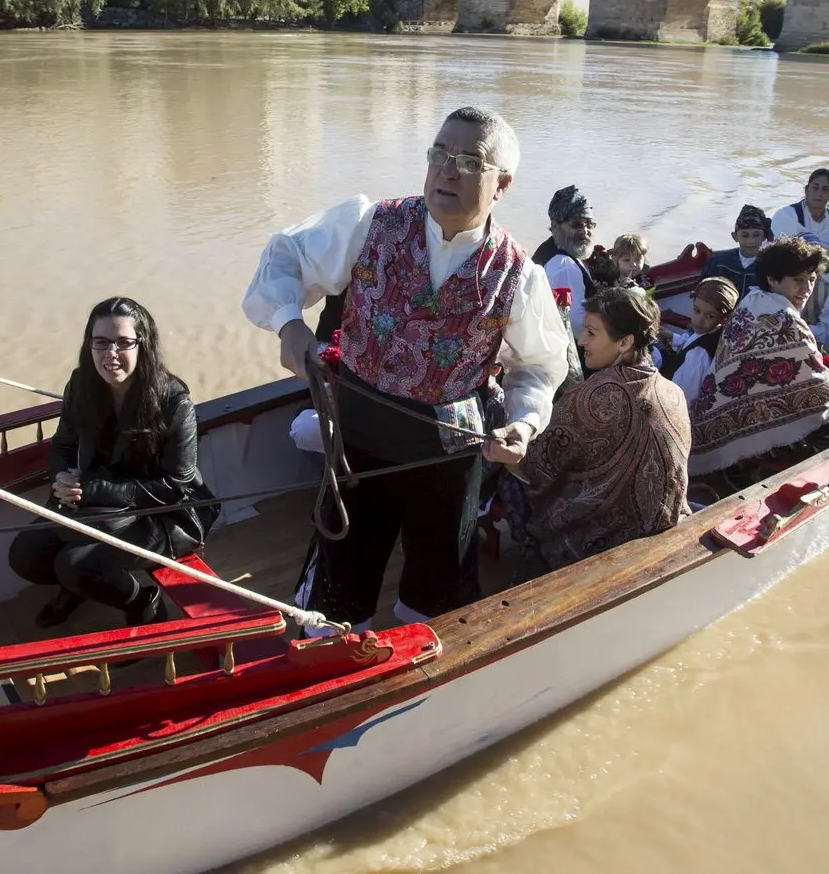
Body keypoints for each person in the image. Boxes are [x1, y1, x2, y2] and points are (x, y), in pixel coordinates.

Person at [243, 107, 570, 632]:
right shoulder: (370, 223)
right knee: (338, 585)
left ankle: (419, 682)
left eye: (469, 161)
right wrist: (289, 325)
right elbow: (284, 255)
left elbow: (539, 366)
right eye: (440, 154)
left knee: (438, 595)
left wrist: (523, 424)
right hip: (357, 439)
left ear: (502, 184)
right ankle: (327, 670)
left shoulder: (519, 274)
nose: (448, 170)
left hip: (449, 451)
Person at [10, 298, 216, 629]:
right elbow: (63, 444)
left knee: (75, 564)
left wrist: (91, 490)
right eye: (101, 342)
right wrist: (61, 477)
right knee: (25, 556)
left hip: (163, 513)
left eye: (123, 343)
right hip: (97, 503)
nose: (111, 354)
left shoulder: (174, 401)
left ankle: (142, 604)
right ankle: (84, 589)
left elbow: (175, 485)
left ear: (143, 345)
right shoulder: (81, 384)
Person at [497, 287, 691, 574]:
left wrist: (506, 450)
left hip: (596, 545)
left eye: (591, 332)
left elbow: (535, 466)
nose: (581, 340)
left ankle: (535, 558)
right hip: (663, 527)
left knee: (508, 476)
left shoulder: (592, 396)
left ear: (624, 342)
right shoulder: (673, 391)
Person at [687, 238, 829, 476]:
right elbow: (819, 387)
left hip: (707, 420)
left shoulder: (752, 300)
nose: (807, 289)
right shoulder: (784, 317)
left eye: (811, 280)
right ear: (772, 279)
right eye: (798, 280)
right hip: (729, 424)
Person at [656, 275, 738, 403]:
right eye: (696, 311)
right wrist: (672, 337)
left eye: (710, 316)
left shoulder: (697, 356)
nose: (699, 320)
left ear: (724, 318)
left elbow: (682, 397)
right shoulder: (713, 333)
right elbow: (691, 341)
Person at [534, 184, 597, 339]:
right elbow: (575, 325)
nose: (584, 231)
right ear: (555, 227)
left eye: (589, 224)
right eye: (575, 225)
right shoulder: (564, 266)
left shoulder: (551, 249)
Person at [703, 205, 772, 294]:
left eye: (756, 235)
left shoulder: (771, 265)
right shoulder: (720, 262)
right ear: (735, 237)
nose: (751, 241)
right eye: (745, 235)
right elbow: (703, 293)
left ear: (764, 237)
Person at [771, 168, 829, 248]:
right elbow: (778, 251)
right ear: (806, 190)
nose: (819, 193)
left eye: (825, 189)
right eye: (815, 188)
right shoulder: (787, 215)